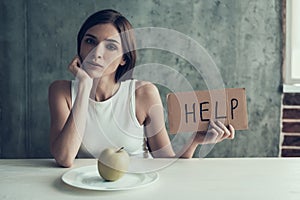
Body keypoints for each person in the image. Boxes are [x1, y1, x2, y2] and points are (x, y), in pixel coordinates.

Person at [48, 9, 235, 168]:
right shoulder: (61, 92)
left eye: (111, 46)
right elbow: (64, 158)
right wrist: (83, 86)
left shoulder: (143, 94)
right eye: (90, 41)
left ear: (124, 58)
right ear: (80, 46)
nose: (97, 53)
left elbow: (165, 160)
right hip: (88, 188)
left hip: (140, 186)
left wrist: (195, 140)